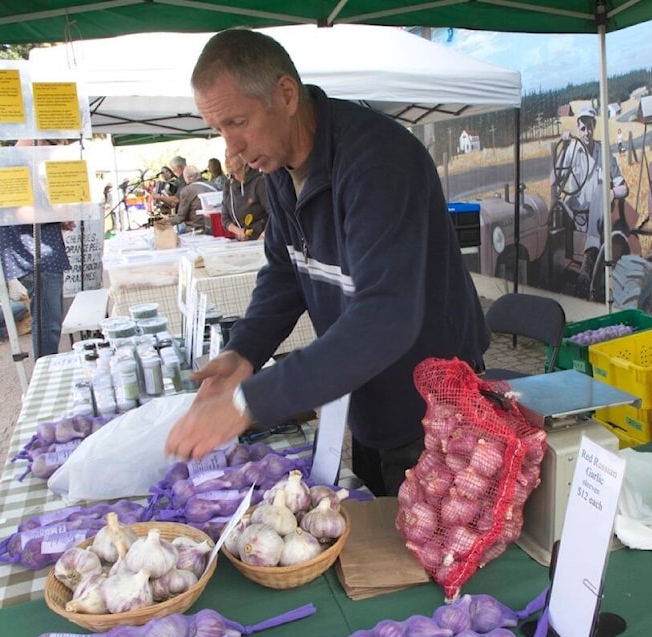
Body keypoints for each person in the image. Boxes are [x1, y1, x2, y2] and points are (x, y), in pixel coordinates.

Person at [166, 29, 490, 497]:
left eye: (238, 122)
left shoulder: (377, 163)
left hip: (435, 408)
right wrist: (244, 353)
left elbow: (386, 316)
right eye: (219, 129)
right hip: (367, 396)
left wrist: (248, 402)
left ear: (286, 95)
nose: (230, 148)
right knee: (377, 514)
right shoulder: (277, 167)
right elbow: (285, 272)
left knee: (432, 552)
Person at [0, 139, 74, 359]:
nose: (52, 151)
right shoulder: (12, 164)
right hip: (35, 258)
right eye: (52, 143)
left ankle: (47, 368)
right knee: (48, 324)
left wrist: (58, 221)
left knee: (49, 322)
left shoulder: (20, 164)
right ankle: (46, 373)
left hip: (40, 256)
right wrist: (59, 216)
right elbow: (22, 213)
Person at [553, 106, 629, 293]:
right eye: (582, 128)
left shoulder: (604, 152)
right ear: (578, 129)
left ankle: (590, 254)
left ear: (594, 126)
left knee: (600, 190)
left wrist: (610, 193)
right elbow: (556, 179)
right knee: (557, 209)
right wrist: (562, 147)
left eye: (589, 127)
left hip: (599, 215)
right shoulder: (572, 149)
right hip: (576, 213)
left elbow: (624, 187)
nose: (586, 132)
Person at [221, 153, 269, 241]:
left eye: (231, 156)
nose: (226, 161)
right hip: (243, 244)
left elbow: (273, 214)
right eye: (225, 157)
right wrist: (238, 231)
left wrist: (264, 235)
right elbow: (225, 219)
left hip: (264, 241)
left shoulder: (260, 182)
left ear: (244, 159)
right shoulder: (228, 186)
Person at [168, 164, 218, 234]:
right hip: (215, 228)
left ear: (189, 178)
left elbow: (180, 218)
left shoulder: (187, 190)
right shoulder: (213, 185)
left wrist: (166, 220)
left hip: (196, 229)